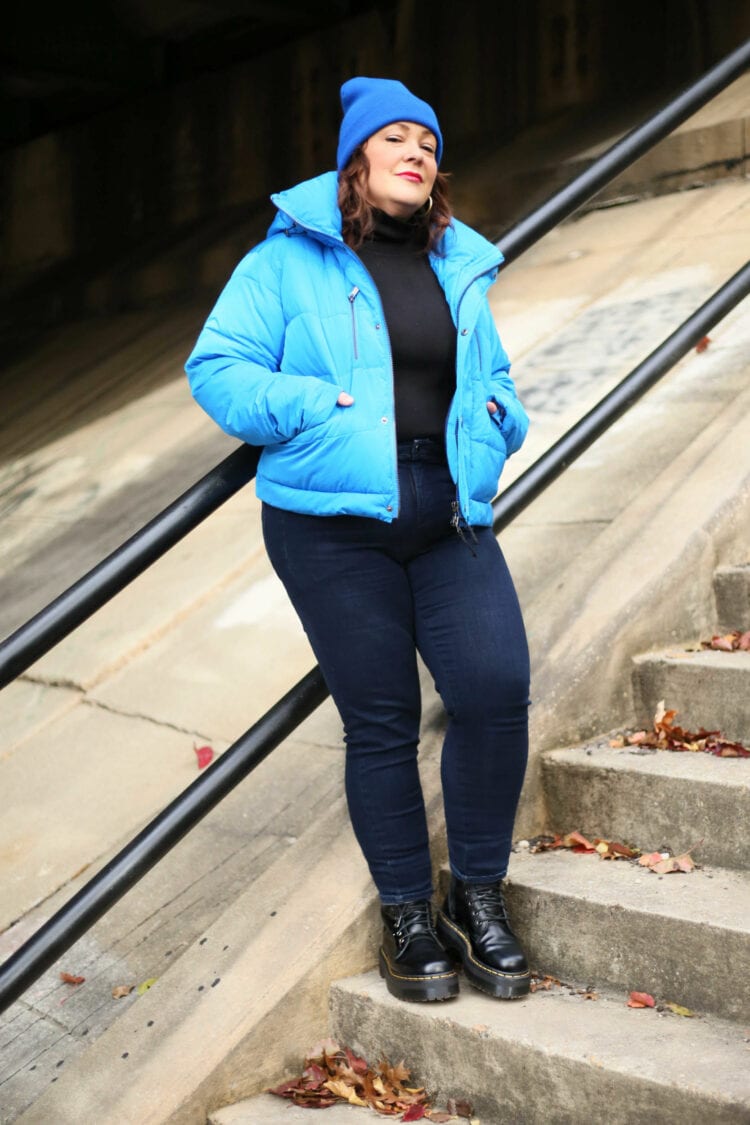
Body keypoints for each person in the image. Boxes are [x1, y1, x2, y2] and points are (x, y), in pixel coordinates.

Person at [185, 77, 531, 1004]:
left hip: (446, 507)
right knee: (379, 717)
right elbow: (215, 367)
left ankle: (480, 896)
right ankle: (407, 916)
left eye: (429, 141)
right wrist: (312, 407)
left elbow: (496, 378)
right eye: (397, 138)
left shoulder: (458, 259)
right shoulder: (288, 260)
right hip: (330, 525)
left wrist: (499, 419)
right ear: (356, 158)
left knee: (495, 688)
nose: (417, 152)